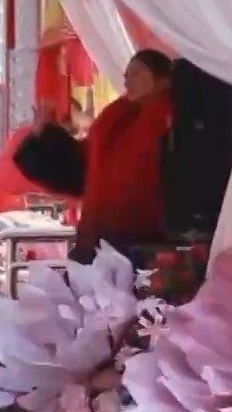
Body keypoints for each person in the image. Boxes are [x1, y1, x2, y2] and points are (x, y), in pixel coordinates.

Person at [14, 49, 174, 262]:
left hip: (144, 239)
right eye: (126, 76)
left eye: (136, 73)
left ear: (161, 78)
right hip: (98, 236)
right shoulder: (116, 117)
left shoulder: (171, 116)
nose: (127, 82)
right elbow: (84, 164)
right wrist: (45, 134)